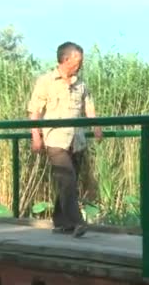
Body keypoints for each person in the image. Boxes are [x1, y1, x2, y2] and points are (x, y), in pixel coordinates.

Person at [27, 41, 102, 237]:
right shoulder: (46, 81)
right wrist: (36, 136)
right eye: (78, 60)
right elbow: (34, 111)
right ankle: (78, 222)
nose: (81, 64)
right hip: (55, 140)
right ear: (66, 59)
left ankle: (61, 223)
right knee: (67, 179)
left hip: (76, 140)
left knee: (69, 181)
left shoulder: (81, 84)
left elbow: (89, 107)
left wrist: (96, 127)